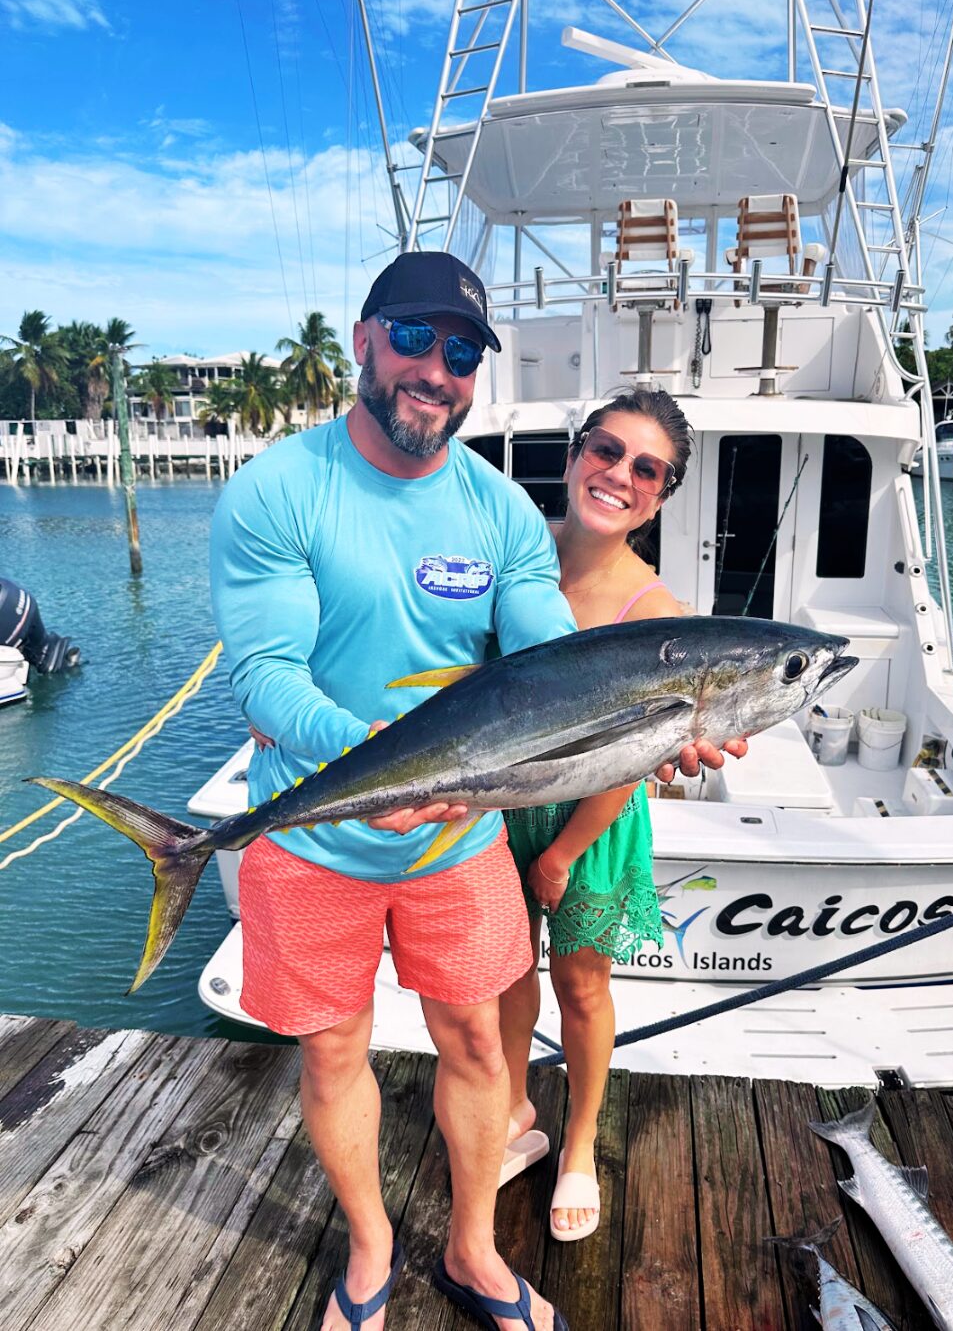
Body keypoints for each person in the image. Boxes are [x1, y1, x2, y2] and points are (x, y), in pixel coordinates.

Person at [211, 252, 738, 1331]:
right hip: (314, 844)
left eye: (461, 353)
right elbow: (264, 674)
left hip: (458, 840)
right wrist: (368, 752)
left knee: (483, 1047)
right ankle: (368, 1251)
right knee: (332, 1050)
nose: (435, 370)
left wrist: (650, 727)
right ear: (364, 338)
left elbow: (544, 653)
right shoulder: (276, 488)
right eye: (414, 338)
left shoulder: (498, 510)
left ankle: (471, 1252)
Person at [499, 389, 748, 1243]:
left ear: (664, 494)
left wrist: (565, 849)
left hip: (589, 823)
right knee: (503, 974)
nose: (619, 475)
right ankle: (513, 1107)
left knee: (580, 983)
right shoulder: (516, 556)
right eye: (605, 450)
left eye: (648, 468)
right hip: (500, 803)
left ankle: (578, 1144)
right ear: (574, 455)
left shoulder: (658, 614)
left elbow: (632, 756)